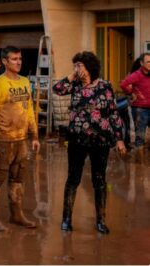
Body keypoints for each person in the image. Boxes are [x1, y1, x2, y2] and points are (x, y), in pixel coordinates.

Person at [53, 51, 126, 234]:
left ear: (90, 67)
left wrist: (119, 139)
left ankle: (101, 220)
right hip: (77, 138)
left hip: (100, 140)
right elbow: (57, 89)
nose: (77, 69)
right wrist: (71, 75)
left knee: (99, 180)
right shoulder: (74, 85)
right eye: (75, 65)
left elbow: (113, 113)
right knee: (73, 178)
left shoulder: (105, 86)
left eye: (80, 65)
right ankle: (66, 219)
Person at [0, 46, 40, 232]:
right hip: (2, 140)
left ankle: (17, 215)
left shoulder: (24, 82)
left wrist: (34, 136)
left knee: (18, 179)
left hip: (21, 140)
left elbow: (29, 109)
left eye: (20, 58)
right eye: (14, 59)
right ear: (5, 62)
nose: (19, 62)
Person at [120, 52, 150, 149]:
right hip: (140, 110)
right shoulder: (136, 75)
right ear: (141, 63)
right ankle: (139, 161)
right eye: (148, 62)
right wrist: (130, 93)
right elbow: (123, 84)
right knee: (140, 137)